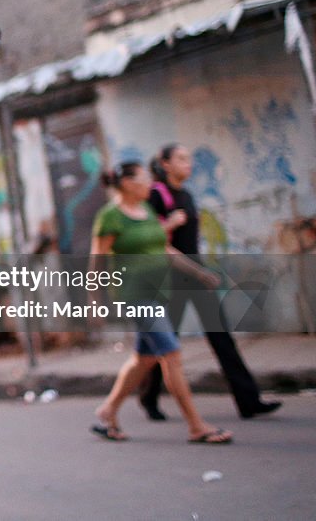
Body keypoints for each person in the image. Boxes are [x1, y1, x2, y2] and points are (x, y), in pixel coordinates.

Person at [89, 162, 232, 444]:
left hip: (159, 293)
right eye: (143, 178)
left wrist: (199, 273)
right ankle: (196, 426)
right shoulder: (110, 217)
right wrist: (95, 302)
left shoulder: (147, 211)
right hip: (136, 296)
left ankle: (108, 410)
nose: (150, 184)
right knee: (172, 355)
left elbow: (164, 249)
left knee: (144, 358)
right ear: (127, 183)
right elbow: (97, 262)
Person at [139, 144, 282, 421]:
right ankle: (148, 397)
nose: (188, 164)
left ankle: (249, 401)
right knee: (165, 342)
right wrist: (169, 224)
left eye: (189, 158)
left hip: (196, 275)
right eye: (181, 159)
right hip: (170, 278)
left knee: (221, 336)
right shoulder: (158, 195)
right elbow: (148, 238)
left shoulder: (188, 195)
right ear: (165, 164)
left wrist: (202, 270)